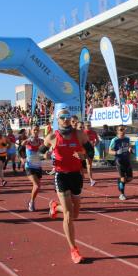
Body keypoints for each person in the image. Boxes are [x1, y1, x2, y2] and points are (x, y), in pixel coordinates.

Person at [44, 108, 93, 264]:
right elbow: (39, 152)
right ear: (57, 119)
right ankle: (74, 249)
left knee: (75, 215)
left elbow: (91, 152)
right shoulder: (52, 137)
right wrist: (45, 155)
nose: (65, 119)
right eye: (62, 117)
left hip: (76, 175)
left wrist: (83, 155)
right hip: (61, 175)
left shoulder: (79, 134)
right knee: (68, 214)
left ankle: (54, 206)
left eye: (67, 117)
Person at [109, 125, 134, 200]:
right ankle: (122, 194)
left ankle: (120, 182)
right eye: (121, 129)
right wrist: (116, 152)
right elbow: (109, 151)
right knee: (123, 178)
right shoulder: (114, 140)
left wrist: (130, 149)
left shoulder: (127, 139)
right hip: (119, 161)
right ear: (117, 131)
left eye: (124, 129)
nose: (123, 131)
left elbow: (129, 146)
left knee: (130, 178)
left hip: (127, 160)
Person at [24, 124, 43, 211]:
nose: (36, 131)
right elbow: (20, 147)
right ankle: (31, 202)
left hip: (38, 167)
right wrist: (21, 158)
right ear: (31, 131)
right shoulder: (28, 141)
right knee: (37, 185)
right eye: (34, 130)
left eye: (37, 130)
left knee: (36, 186)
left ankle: (32, 200)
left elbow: (46, 150)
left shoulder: (41, 141)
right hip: (29, 167)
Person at [81, 122, 98, 187]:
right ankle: (90, 179)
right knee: (85, 165)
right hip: (84, 150)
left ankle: (90, 179)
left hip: (91, 150)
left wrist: (94, 145)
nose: (88, 126)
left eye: (89, 125)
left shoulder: (94, 132)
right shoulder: (83, 132)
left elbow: (97, 140)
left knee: (89, 165)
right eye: (87, 125)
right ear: (84, 126)